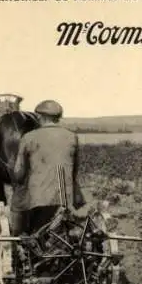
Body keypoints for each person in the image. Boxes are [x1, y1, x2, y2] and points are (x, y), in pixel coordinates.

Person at [8, 99, 86, 235]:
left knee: (16, 201)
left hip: (38, 198)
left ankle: (18, 237)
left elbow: (19, 174)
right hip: (65, 196)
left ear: (40, 117)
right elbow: (74, 171)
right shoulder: (72, 137)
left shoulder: (28, 137)